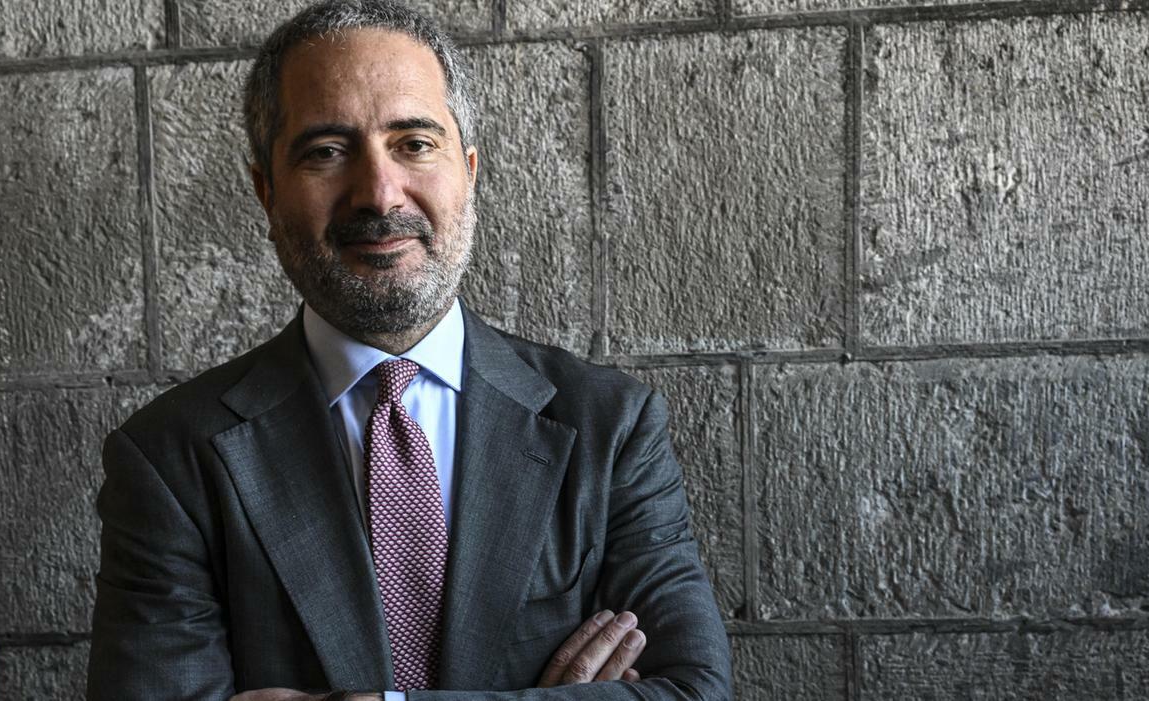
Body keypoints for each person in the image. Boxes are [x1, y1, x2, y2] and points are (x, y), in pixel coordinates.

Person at [85, 1, 731, 699]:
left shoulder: (611, 426)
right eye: (326, 151)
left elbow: (693, 690)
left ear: (469, 172)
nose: (379, 193)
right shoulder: (169, 459)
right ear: (266, 192)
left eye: (415, 143)